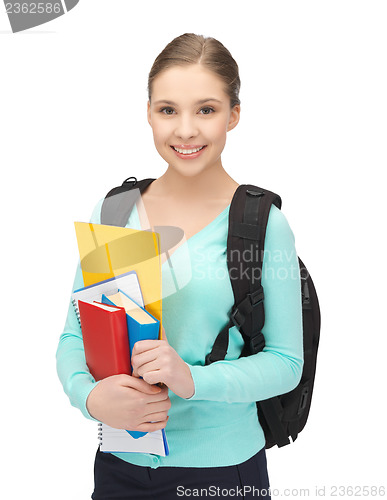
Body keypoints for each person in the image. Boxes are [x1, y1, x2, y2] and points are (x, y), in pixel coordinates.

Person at [56, 33, 304, 499]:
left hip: (222, 472)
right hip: (118, 465)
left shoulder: (261, 224)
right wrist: (89, 397)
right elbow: (75, 333)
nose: (185, 130)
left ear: (233, 115)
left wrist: (192, 378)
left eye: (206, 110)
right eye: (168, 110)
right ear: (148, 113)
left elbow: (286, 362)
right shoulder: (115, 211)